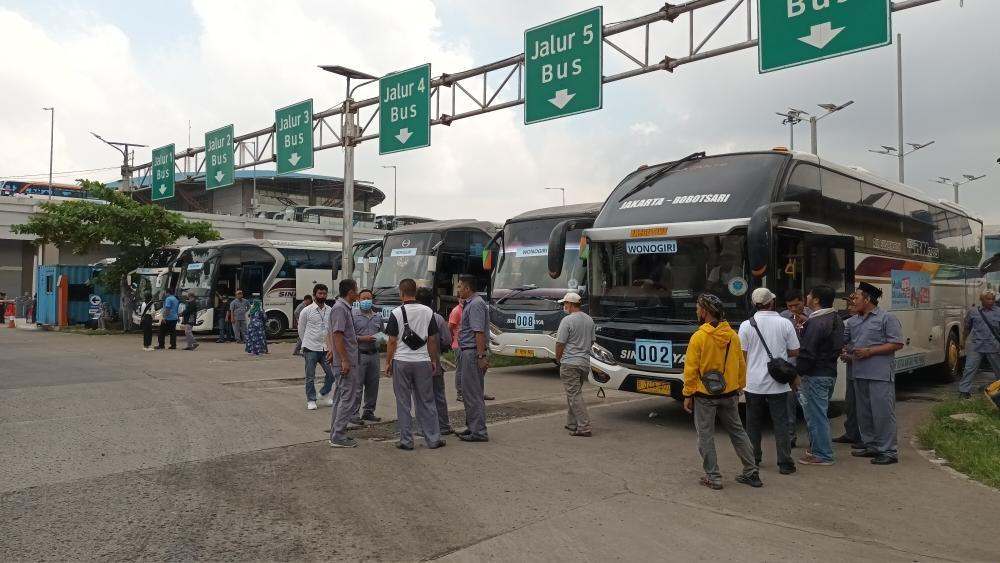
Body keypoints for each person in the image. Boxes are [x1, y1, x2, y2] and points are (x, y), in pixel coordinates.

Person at [682, 293, 759, 490]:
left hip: (704, 395)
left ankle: (713, 476)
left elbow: (691, 369)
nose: (696, 311)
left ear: (706, 312)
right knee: (738, 432)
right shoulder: (732, 335)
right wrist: (739, 386)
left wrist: (688, 393)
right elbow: (741, 364)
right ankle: (751, 471)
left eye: (698, 308)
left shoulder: (699, 337)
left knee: (706, 435)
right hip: (729, 392)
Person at [738, 287, 800, 475]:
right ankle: (785, 463)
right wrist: (780, 354)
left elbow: (743, 356)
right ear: (771, 302)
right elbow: (795, 351)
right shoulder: (785, 323)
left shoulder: (746, 325)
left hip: (753, 382)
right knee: (781, 423)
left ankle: (754, 458)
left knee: (753, 423)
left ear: (754, 304)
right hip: (778, 383)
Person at [841, 282, 904, 465]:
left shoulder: (887, 318)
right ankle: (872, 446)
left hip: (880, 374)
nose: (853, 300)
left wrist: (869, 351)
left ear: (868, 299)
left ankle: (889, 451)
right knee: (864, 414)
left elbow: (897, 343)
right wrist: (849, 354)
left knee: (883, 414)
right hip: (859, 373)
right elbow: (849, 343)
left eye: (857, 297)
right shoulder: (853, 321)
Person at [384, 278, 445, 450]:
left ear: (401, 293)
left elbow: (391, 341)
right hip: (422, 361)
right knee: (426, 401)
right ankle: (433, 439)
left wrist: (388, 362)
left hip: (402, 361)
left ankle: (406, 441)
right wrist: (433, 360)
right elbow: (432, 339)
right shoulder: (428, 311)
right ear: (415, 292)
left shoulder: (396, 313)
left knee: (403, 403)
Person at [796, 285, 844, 466]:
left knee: (816, 416)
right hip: (830, 372)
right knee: (818, 413)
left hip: (815, 374)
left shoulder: (816, 323)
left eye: (809, 294)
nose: (806, 296)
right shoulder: (836, 318)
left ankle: (823, 454)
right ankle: (817, 449)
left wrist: (796, 373)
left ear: (815, 300)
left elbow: (808, 352)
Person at [327, 279, 361, 448]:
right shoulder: (340, 309)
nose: (358, 293)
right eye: (356, 290)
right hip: (345, 362)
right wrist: (345, 360)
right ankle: (338, 435)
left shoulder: (341, 308)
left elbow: (333, 334)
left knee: (340, 398)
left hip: (344, 360)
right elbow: (338, 335)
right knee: (347, 398)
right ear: (350, 292)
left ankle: (336, 431)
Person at [555, 291, 594, 437]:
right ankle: (572, 423)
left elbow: (560, 343)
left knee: (574, 395)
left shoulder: (567, 321)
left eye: (565, 303)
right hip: (584, 363)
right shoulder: (589, 320)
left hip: (570, 362)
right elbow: (592, 341)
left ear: (570, 304)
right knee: (573, 393)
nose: (564, 306)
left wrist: (558, 359)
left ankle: (584, 426)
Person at [456, 275, 490, 442]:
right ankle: (472, 427)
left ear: (467, 288)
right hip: (467, 351)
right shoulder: (471, 303)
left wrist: (481, 356)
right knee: (468, 393)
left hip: (472, 353)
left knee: (473, 394)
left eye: (460, 286)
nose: (458, 289)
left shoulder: (476, 304)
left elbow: (479, 332)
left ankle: (479, 432)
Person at [418, 287, 454, 436]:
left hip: (417, 363)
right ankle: (443, 426)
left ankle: (424, 428)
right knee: (438, 395)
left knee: (421, 397)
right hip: (435, 362)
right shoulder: (438, 318)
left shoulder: (411, 316)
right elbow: (447, 340)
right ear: (432, 302)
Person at [780, 288, 812, 448]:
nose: (793, 309)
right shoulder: (783, 317)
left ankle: (814, 439)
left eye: (796, 305)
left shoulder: (812, 316)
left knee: (808, 404)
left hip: (807, 367)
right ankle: (790, 436)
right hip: (790, 367)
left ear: (803, 301)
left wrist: (806, 323)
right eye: (789, 306)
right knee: (788, 404)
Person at [833, 291, 863, 447]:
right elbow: (842, 340)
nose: (850, 306)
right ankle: (851, 433)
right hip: (852, 368)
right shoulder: (849, 321)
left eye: (853, 302)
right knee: (850, 403)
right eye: (849, 303)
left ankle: (865, 437)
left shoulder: (872, 321)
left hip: (866, 368)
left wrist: (851, 355)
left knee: (864, 405)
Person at [298, 285, 335, 410]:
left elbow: (331, 329)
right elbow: (301, 329)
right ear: (314, 295)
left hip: (325, 348)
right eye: (320, 293)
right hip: (311, 348)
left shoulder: (330, 310)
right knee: (310, 376)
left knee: (332, 373)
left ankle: (324, 393)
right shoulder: (306, 311)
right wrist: (306, 343)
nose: (322, 296)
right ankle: (311, 400)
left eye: (324, 293)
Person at [958, 290, 1000, 399]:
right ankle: (964, 391)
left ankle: (998, 390)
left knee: (998, 369)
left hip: (994, 346)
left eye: (993, 299)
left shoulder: (998, 312)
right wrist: (963, 341)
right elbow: (967, 328)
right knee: (969, 368)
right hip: (977, 345)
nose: (991, 301)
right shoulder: (973, 312)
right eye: (988, 299)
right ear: (981, 300)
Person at [351, 289, 384, 423]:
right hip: (359, 355)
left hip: (374, 355)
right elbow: (349, 336)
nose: (366, 301)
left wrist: (381, 339)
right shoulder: (353, 316)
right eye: (363, 298)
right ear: (358, 300)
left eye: (368, 298)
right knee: (357, 386)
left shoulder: (377, 317)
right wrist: (362, 338)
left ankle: (369, 411)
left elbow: (382, 333)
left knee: (373, 385)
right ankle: (354, 414)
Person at [448, 298, 465, 402]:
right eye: (461, 298)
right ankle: (460, 393)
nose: (463, 300)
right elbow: (449, 327)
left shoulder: (469, 309)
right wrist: (452, 340)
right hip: (458, 344)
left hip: (467, 344)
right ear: (458, 299)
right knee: (460, 370)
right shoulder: (456, 311)